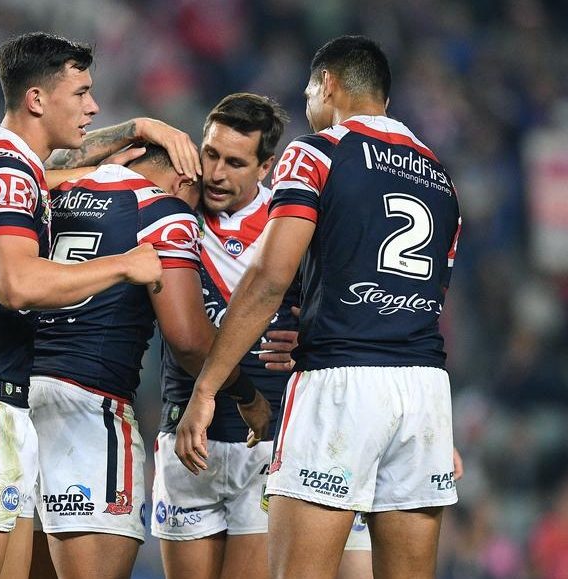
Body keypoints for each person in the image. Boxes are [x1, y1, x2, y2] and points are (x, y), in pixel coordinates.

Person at [176, 35, 463, 579]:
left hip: (342, 385)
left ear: (326, 84)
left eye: (310, 93)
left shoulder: (317, 151)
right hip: (425, 390)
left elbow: (268, 278)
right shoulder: (441, 177)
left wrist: (207, 388)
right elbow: (426, 298)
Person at [0, 32, 166, 579]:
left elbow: (56, 170)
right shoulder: (5, 172)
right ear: (37, 99)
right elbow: (16, 284)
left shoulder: (1, 160)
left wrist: (130, 138)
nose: (93, 106)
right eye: (81, 93)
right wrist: (123, 265)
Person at [153, 92, 377, 579]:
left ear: (266, 166)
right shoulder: (172, 208)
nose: (216, 174)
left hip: (266, 442)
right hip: (185, 436)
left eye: (235, 163)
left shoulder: (295, 220)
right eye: (211, 154)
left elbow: (355, 308)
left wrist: (310, 337)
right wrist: (144, 127)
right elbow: (63, 169)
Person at [27, 144, 270, 579]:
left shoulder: (53, 193)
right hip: (88, 409)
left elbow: (31, 163)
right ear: (183, 179)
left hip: (17, 402)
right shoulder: (164, 211)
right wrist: (246, 394)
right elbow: (188, 340)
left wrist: (131, 132)